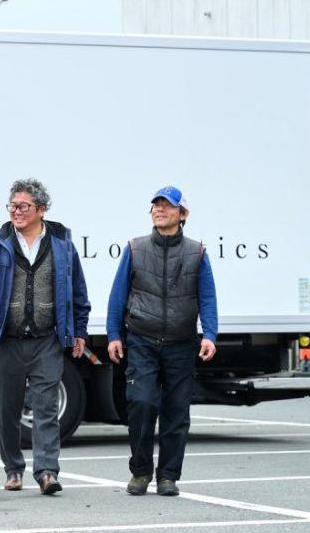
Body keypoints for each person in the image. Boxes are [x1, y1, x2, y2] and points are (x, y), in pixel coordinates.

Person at [0, 178, 91, 495]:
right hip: (5, 340)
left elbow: (78, 292)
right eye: (12, 205)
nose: (16, 211)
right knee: (6, 409)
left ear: (41, 209)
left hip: (47, 340)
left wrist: (79, 332)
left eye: (23, 206)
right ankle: (13, 470)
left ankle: (47, 472)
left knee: (46, 408)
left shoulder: (63, 245)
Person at [106, 185, 218, 497]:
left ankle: (168, 477)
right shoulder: (135, 248)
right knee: (142, 403)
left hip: (182, 343)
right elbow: (118, 295)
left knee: (176, 412)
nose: (160, 209)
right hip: (141, 340)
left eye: (167, 205)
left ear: (183, 214)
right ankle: (140, 471)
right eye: (156, 205)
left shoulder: (197, 252)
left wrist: (209, 334)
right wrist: (114, 335)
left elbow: (207, 297)